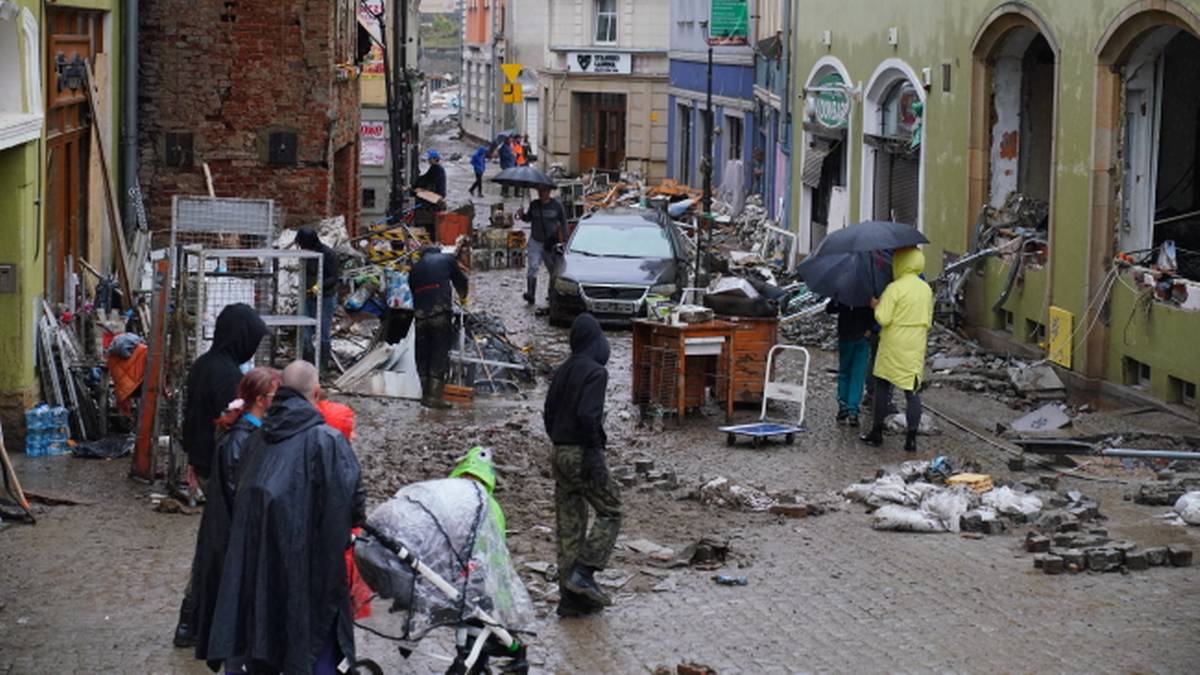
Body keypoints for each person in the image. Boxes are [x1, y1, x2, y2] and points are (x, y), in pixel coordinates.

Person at [206, 361, 366, 675]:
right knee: (311, 645)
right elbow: (353, 506)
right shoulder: (327, 441)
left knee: (261, 644)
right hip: (309, 575)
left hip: (258, 571)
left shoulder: (254, 437)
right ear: (316, 393)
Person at [175, 303, 268, 649]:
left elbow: (192, 419)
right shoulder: (229, 377)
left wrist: (192, 459)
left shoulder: (204, 365)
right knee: (220, 548)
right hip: (222, 474)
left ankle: (197, 620)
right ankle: (196, 621)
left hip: (205, 466)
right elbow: (235, 432)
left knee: (215, 545)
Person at [188, 367, 281, 671]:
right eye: (274, 396)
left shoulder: (246, 435)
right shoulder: (240, 442)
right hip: (231, 543)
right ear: (260, 399)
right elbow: (239, 498)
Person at [543, 314, 621, 617]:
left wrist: (559, 441)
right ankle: (584, 573)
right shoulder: (596, 372)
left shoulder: (563, 370)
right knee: (611, 510)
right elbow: (590, 416)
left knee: (569, 524)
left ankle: (570, 599)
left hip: (559, 452)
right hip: (581, 452)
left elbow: (548, 413)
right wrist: (593, 453)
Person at [860, 247, 933, 453]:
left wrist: (876, 305)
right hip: (916, 343)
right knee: (912, 391)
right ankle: (911, 439)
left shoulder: (894, 288)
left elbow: (883, 318)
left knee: (883, 386)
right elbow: (928, 318)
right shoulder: (925, 289)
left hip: (893, 343)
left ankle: (877, 432)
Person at [409, 245, 469, 409]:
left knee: (423, 353)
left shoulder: (415, 267)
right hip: (440, 312)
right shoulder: (447, 260)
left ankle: (425, 394)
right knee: (439, 351)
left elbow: (413, 290)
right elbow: (461, 280)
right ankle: (435, 397)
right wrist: (463, 298)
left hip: (420, 315)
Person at [826, 301, 875, 427]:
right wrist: (870, 329)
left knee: (844, 373)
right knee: (857, 376)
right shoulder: (868, 293)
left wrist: (836, 300)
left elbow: (829, 309)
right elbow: (876, 315)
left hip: (846, 337)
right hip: (862, 338)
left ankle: (843, 405)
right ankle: (853, 410)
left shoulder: (843, 293)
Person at [296, 228, 340, 368]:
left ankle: (322, 365)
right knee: (305, 329)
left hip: (326, 296)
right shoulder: (306, 253)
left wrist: (318, 287)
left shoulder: (327, 254)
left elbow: (333, 277)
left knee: (323, 330)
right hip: (308, 296)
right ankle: (307, 360)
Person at [518, 186, 567, 305]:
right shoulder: (534, 205)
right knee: (533, 267)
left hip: (550, 243)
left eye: (543, 191)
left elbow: (563, 223)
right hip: (535, 241)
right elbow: (528, 218)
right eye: (539, 191)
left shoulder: (557, 206)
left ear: (549, 192)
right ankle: (531, 293)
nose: (540, 194)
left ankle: (551, 294)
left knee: (553, 270)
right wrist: (522, 215)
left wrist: (564, 241)